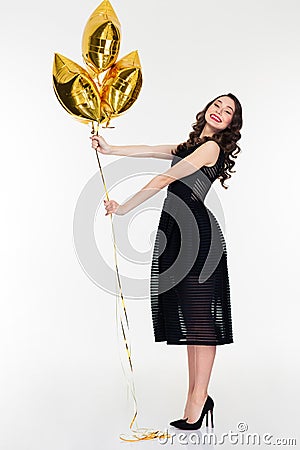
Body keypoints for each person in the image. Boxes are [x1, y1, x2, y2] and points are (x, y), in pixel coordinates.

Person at [90, 93, 243, 430]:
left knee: (201, 324)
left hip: (198, 237)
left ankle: (198, 399)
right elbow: (148, 148)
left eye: (228, 111)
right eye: (217, 105)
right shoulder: (191, 144)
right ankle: (197, 396)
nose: (220, 112)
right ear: (205, 110)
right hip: (178, 232)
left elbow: (164, 179)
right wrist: (110, 148)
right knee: (192, 323)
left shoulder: (211, 148)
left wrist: (124, 207)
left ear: (231, 123)